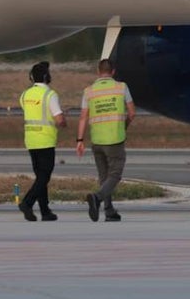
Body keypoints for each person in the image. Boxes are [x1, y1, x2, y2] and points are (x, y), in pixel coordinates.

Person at [76, 58, 135, 222]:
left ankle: (109, 211)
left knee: (104, 176)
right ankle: (97, 197)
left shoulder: (89, 91)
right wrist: (123, 126)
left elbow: (83, 117)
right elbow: (132, 112)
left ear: (98, 71)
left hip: (97, 140)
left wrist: (79, 140)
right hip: (115, 138)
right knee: (115, 175)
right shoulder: (121, 87)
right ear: (113, 71)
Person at [18, 61, 66, 221]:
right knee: (44, 177)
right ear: (47, 76)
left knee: (40, 176)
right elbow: (59, 119)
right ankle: (27, 202)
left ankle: (45, 211)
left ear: (31, 77)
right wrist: (64, 123)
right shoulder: (50, 95)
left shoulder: (25, 95)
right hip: (45, 140)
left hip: (31, 140)